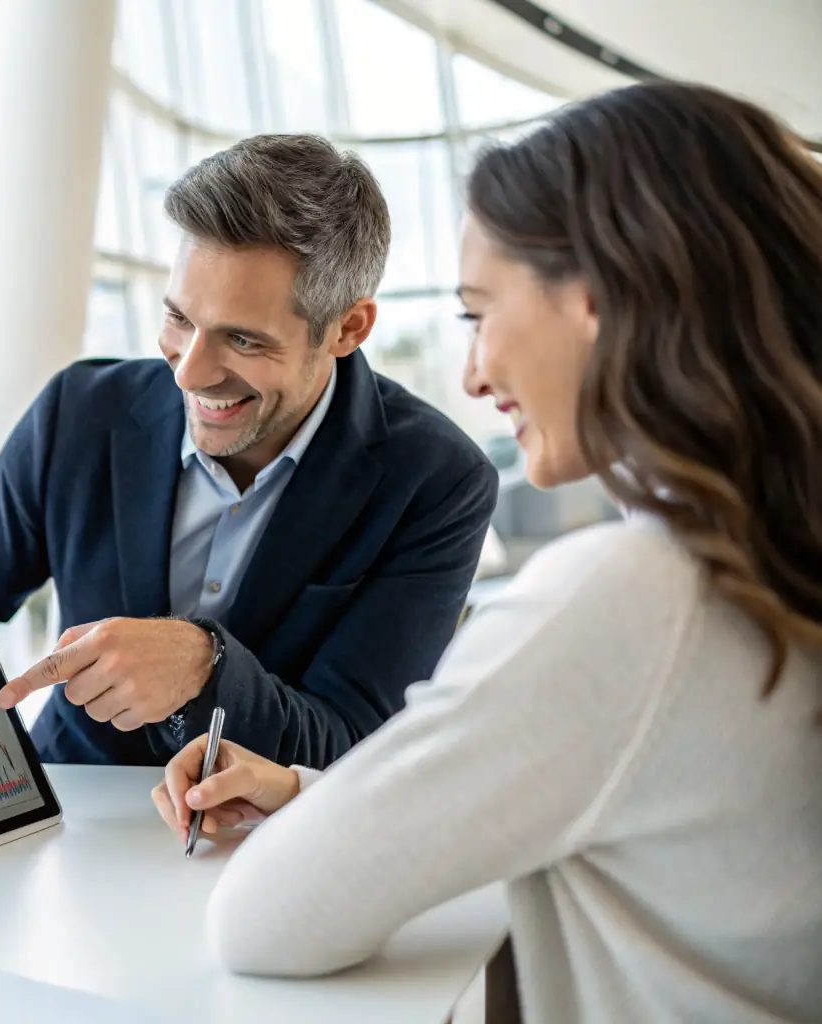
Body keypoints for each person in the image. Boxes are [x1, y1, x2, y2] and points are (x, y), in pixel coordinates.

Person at [153, 82, 822, 1022]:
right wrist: (310, 794)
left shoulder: (637, 596)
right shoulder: (772, 556)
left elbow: (263, 922)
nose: (471, 374)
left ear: (595, 303)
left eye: (477, 313)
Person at [0, 134, 498, 768]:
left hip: (267, 847)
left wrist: (203, 668)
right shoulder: (78, 414)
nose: (189, 374)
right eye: (180, 318)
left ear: (347, 328)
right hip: (72, 817)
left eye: (241, 339)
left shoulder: (435, 479)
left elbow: (352, 746)